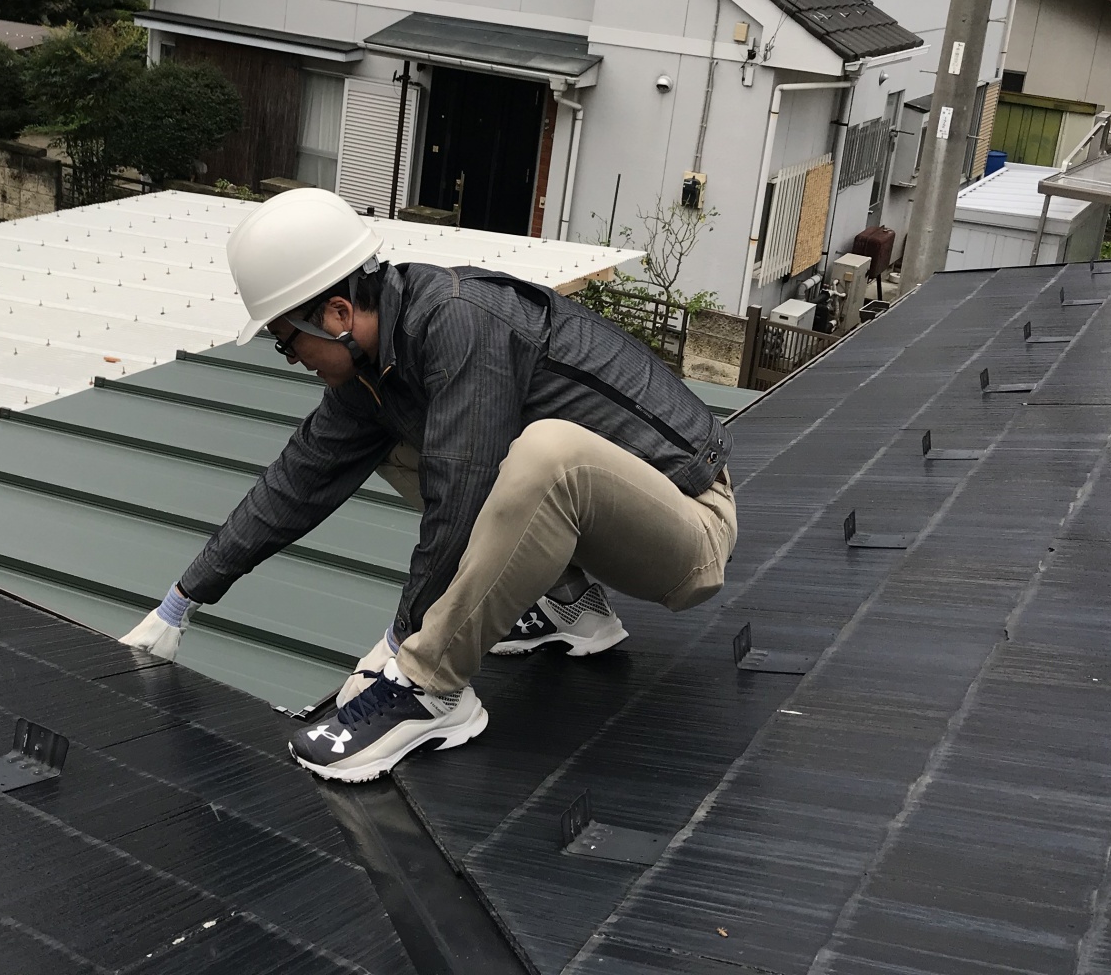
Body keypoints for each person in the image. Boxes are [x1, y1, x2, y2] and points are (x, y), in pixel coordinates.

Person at [121, 187, 735, 782]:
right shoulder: (379, 359)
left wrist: (399, 646)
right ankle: (571, 607)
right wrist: (179, 603)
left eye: (287, 343)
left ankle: (433, 694)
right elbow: (296, 482)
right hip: (605, 523)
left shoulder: (457, 323)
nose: (294, 359)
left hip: (691, 527)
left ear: (336, 314)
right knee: (403, 441)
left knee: (547, 454)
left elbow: (459, 497)